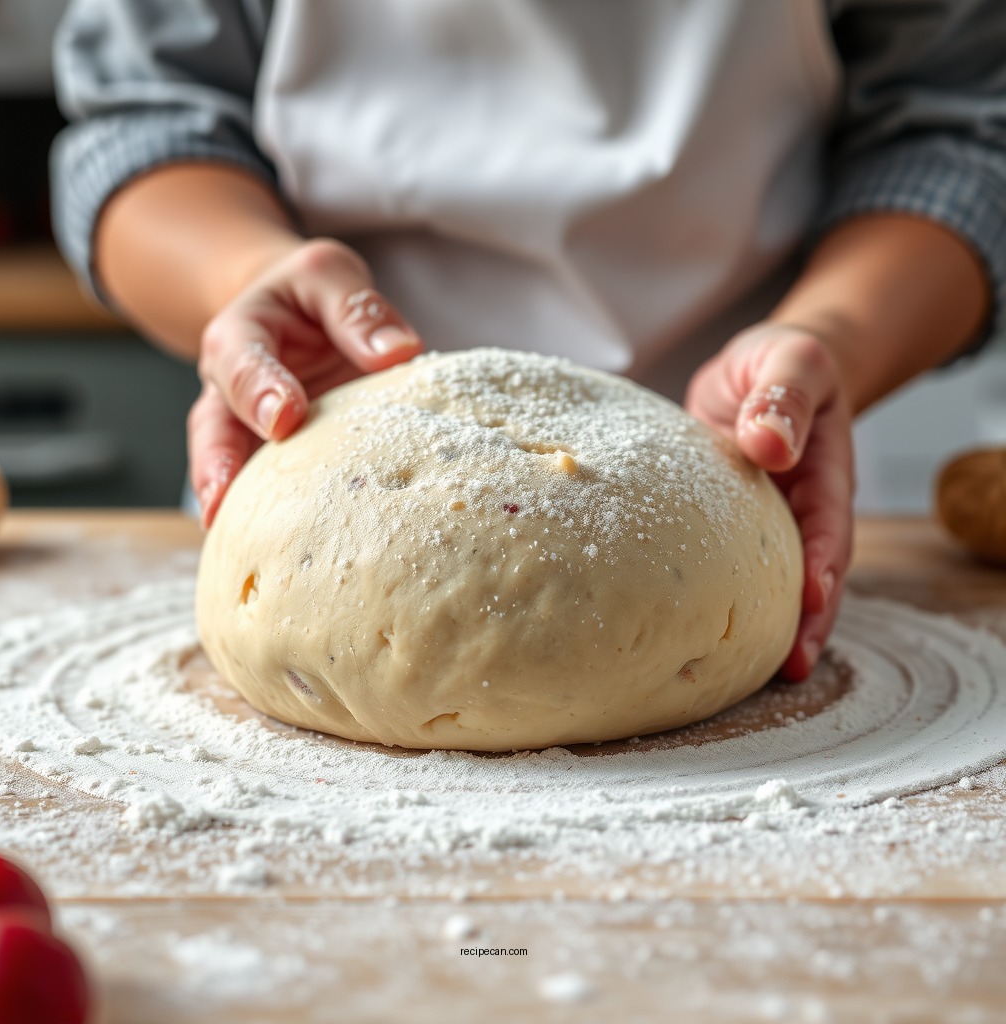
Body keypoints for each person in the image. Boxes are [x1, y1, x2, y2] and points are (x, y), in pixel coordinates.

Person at [50, 1, 1004, 681]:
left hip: (745, 453)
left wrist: (829, 335)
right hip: (314, 451)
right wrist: (241, 279)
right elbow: (146, 117)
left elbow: (959, 133)